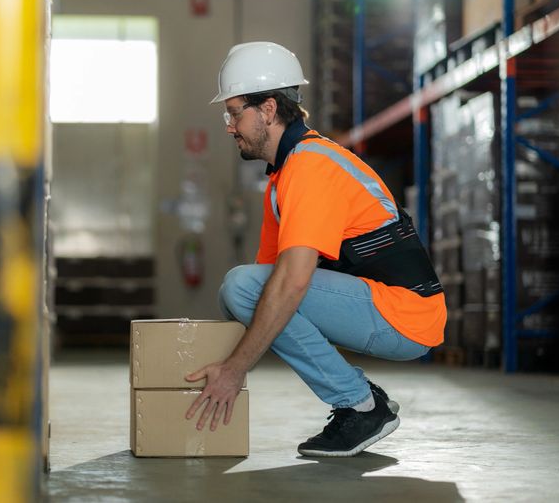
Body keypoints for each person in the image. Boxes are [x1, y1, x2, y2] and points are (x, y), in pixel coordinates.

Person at [184, 42, 446, 457]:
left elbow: (287, 284)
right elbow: (266, 281)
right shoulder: (283, 178)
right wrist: (203, 358)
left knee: (243, 287)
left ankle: (362, 407)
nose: (229, 125)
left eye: (234, 113)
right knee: (238, 291)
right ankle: (361, 395)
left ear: (268, 110)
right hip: (379, 307)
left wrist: (234, 371)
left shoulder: (311, 167)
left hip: (406, 316)